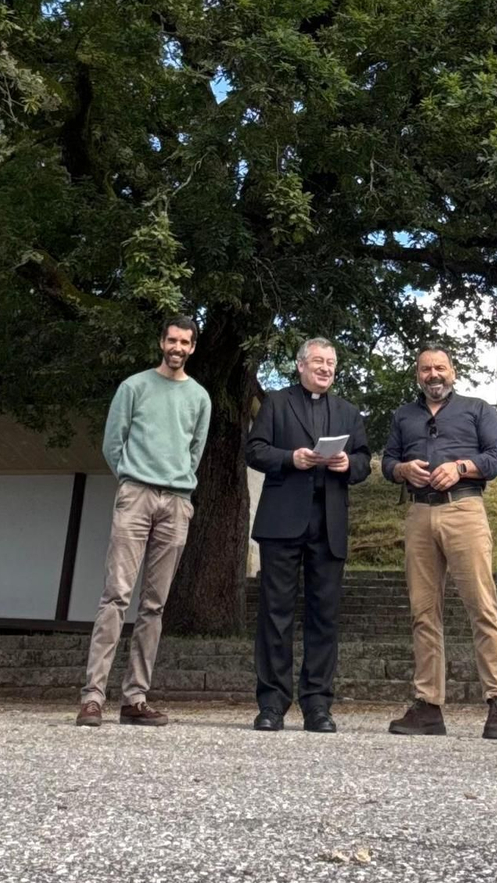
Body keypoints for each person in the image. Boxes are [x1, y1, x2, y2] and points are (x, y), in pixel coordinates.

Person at [76, 314, 212, 729]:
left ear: (192, 347)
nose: (178, 347)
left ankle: (135, 697)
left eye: (185, 342)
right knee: (116, 595)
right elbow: (112, 443)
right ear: (161, 342)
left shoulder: (200, 398)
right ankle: (93, 697)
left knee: (154, 605)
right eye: (172, 340)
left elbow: (195, 451)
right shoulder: (133, 387)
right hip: (135, 496)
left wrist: (176, 490)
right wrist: (132, 480)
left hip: (176, 502)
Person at [381, 343, 497, 740]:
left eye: (440, 368)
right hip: (420, 514)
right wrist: (403, 469)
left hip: (464, 510)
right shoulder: (404, 415)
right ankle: (428, 706)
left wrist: (460, 467)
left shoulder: (477, 409)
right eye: (426, 369)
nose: (433, 375)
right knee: (423, 611)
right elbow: (387, 462)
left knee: (482, 607)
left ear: (452, 372)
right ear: (417, 375)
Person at [245, 336, 372, 732]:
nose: (325, 368)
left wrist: (347, 464)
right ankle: (272, 704)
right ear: (300, 366)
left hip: (328, 523)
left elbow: (366, 462)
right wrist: (291, 458)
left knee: (324, 617)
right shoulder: (277, 404)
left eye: (331, 363)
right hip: (282, 522)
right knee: (275, 615)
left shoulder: (349, 412)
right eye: (318, 361)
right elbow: (255, 450)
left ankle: (318, 705)